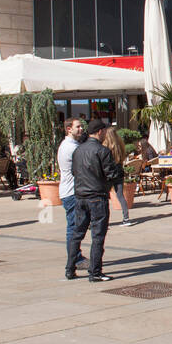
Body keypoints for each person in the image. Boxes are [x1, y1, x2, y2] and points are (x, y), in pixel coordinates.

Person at [67, 119, 119, 281]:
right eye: (104, 131)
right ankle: (95, 272)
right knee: (97, 236)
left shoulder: (78, 150)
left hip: (81, 196)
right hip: (97, 197)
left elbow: (74, 171)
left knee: (77, 233)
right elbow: (111, 174)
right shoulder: (102, 151)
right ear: (100, 131)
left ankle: (70, 269)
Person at [60, 120, 87, 268]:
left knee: (75, 226)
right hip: (72, 192)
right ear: (69, 129)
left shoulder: (71, 146)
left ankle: (76, 256)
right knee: (74, 227)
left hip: (71, 191)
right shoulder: (71, 148)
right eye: (78, 127)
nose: (81, 129)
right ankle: (75, 259)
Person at [105, 127, 131, 226]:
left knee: (105, 196)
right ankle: (126, 218)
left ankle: (105, 220)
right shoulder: (120, 145)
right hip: (119, 170)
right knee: (120, 195)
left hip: (109, 172)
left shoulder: (106, 146)